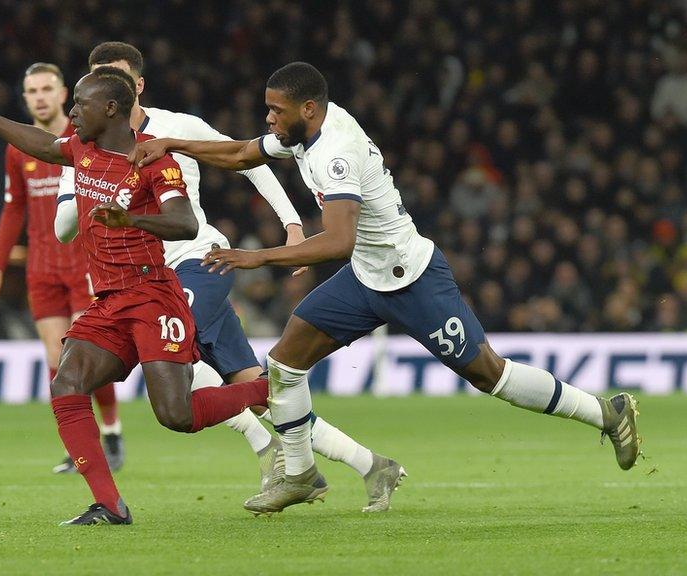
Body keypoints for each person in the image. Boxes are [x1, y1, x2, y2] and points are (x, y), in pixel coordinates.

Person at [130, 62, 643, 515]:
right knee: (285, 364)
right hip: (364, 277)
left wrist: (256, 257)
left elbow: (336, 240)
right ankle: (300, 474)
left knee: (492, 375)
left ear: (308, 109)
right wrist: (171, 144)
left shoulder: (336, 151)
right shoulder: (305, 129)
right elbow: (243, 154)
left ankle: (606, 412)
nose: (267, 118)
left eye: (274, 110)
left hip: (409, 277)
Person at [66, 42, 403, 512]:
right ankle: (372, 465)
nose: (107, 88)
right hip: (147, 278)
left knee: (168, 364)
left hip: (196, 262)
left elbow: (251, 161)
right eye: (98, 77)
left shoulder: (177, 128)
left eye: (117, 78)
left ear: (135, 86)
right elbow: (67, 221)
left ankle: (267, 451)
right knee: (251, 382)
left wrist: (290, 225)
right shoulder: (85, 145)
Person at [0, 67, 270, 525]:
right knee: (66, 384)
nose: (71, 112)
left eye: (80, 104)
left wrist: (131, 221)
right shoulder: (82, 150)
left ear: (110, 108)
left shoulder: (153, 161)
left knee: (177, 415)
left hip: (153, 296)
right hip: (109, 301)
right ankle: (109, 504)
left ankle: (271, 387)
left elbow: (185, 223)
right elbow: (41, 144)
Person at [0, 62, 124, 473]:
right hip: (41, 268)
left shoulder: (83, 140)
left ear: (62, 95)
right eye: (31, 91)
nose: (39, 96)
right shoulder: (17, 146)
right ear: (25, 98)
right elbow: (13, 208)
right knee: (58, 362)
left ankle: (111, 432)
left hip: (83, 264)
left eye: (46, 89)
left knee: (85, 355)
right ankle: (83, 447)